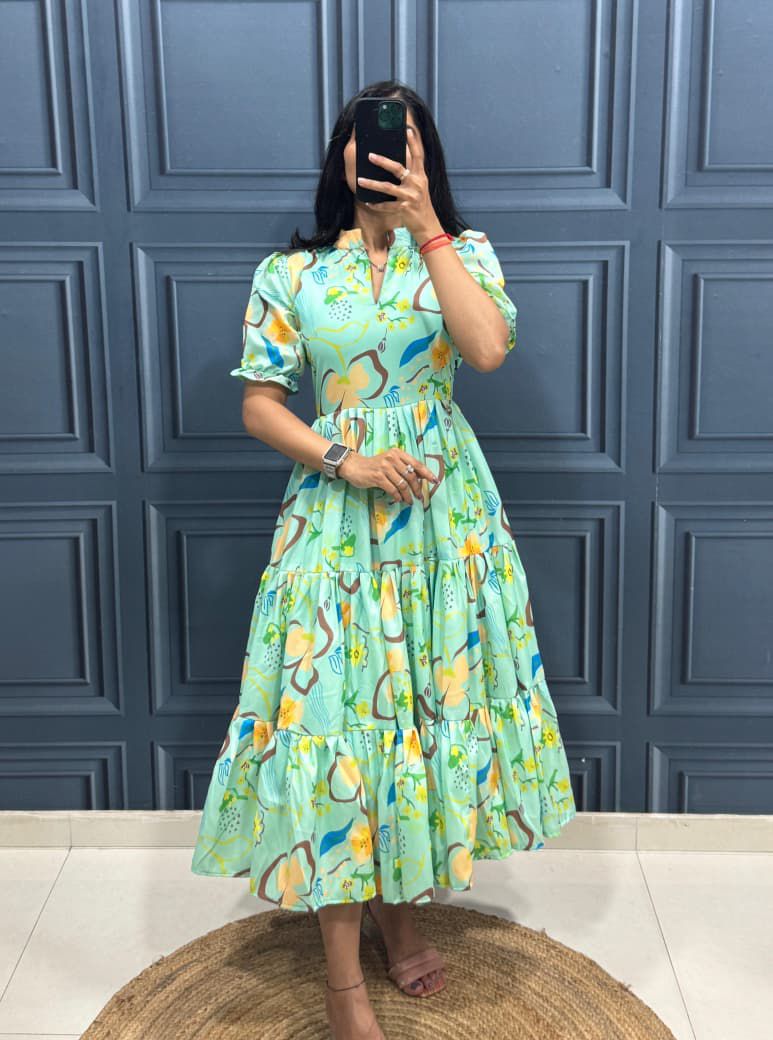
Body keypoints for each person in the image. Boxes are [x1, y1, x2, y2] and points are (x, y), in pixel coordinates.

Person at [190, 80, 576, 1040]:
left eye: (405, 146)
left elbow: (483, 351)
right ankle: (341, 982)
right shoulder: (292, 275)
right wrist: (346, 457)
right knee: (335, 727)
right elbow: (260, 402)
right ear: (343, 155)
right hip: (334, 525)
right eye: (373, 145)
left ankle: (400, 920)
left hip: (445, 531)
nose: (386, 159)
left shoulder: (463, 253)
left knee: (416, 718)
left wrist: (428, 223)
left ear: (425, 156)